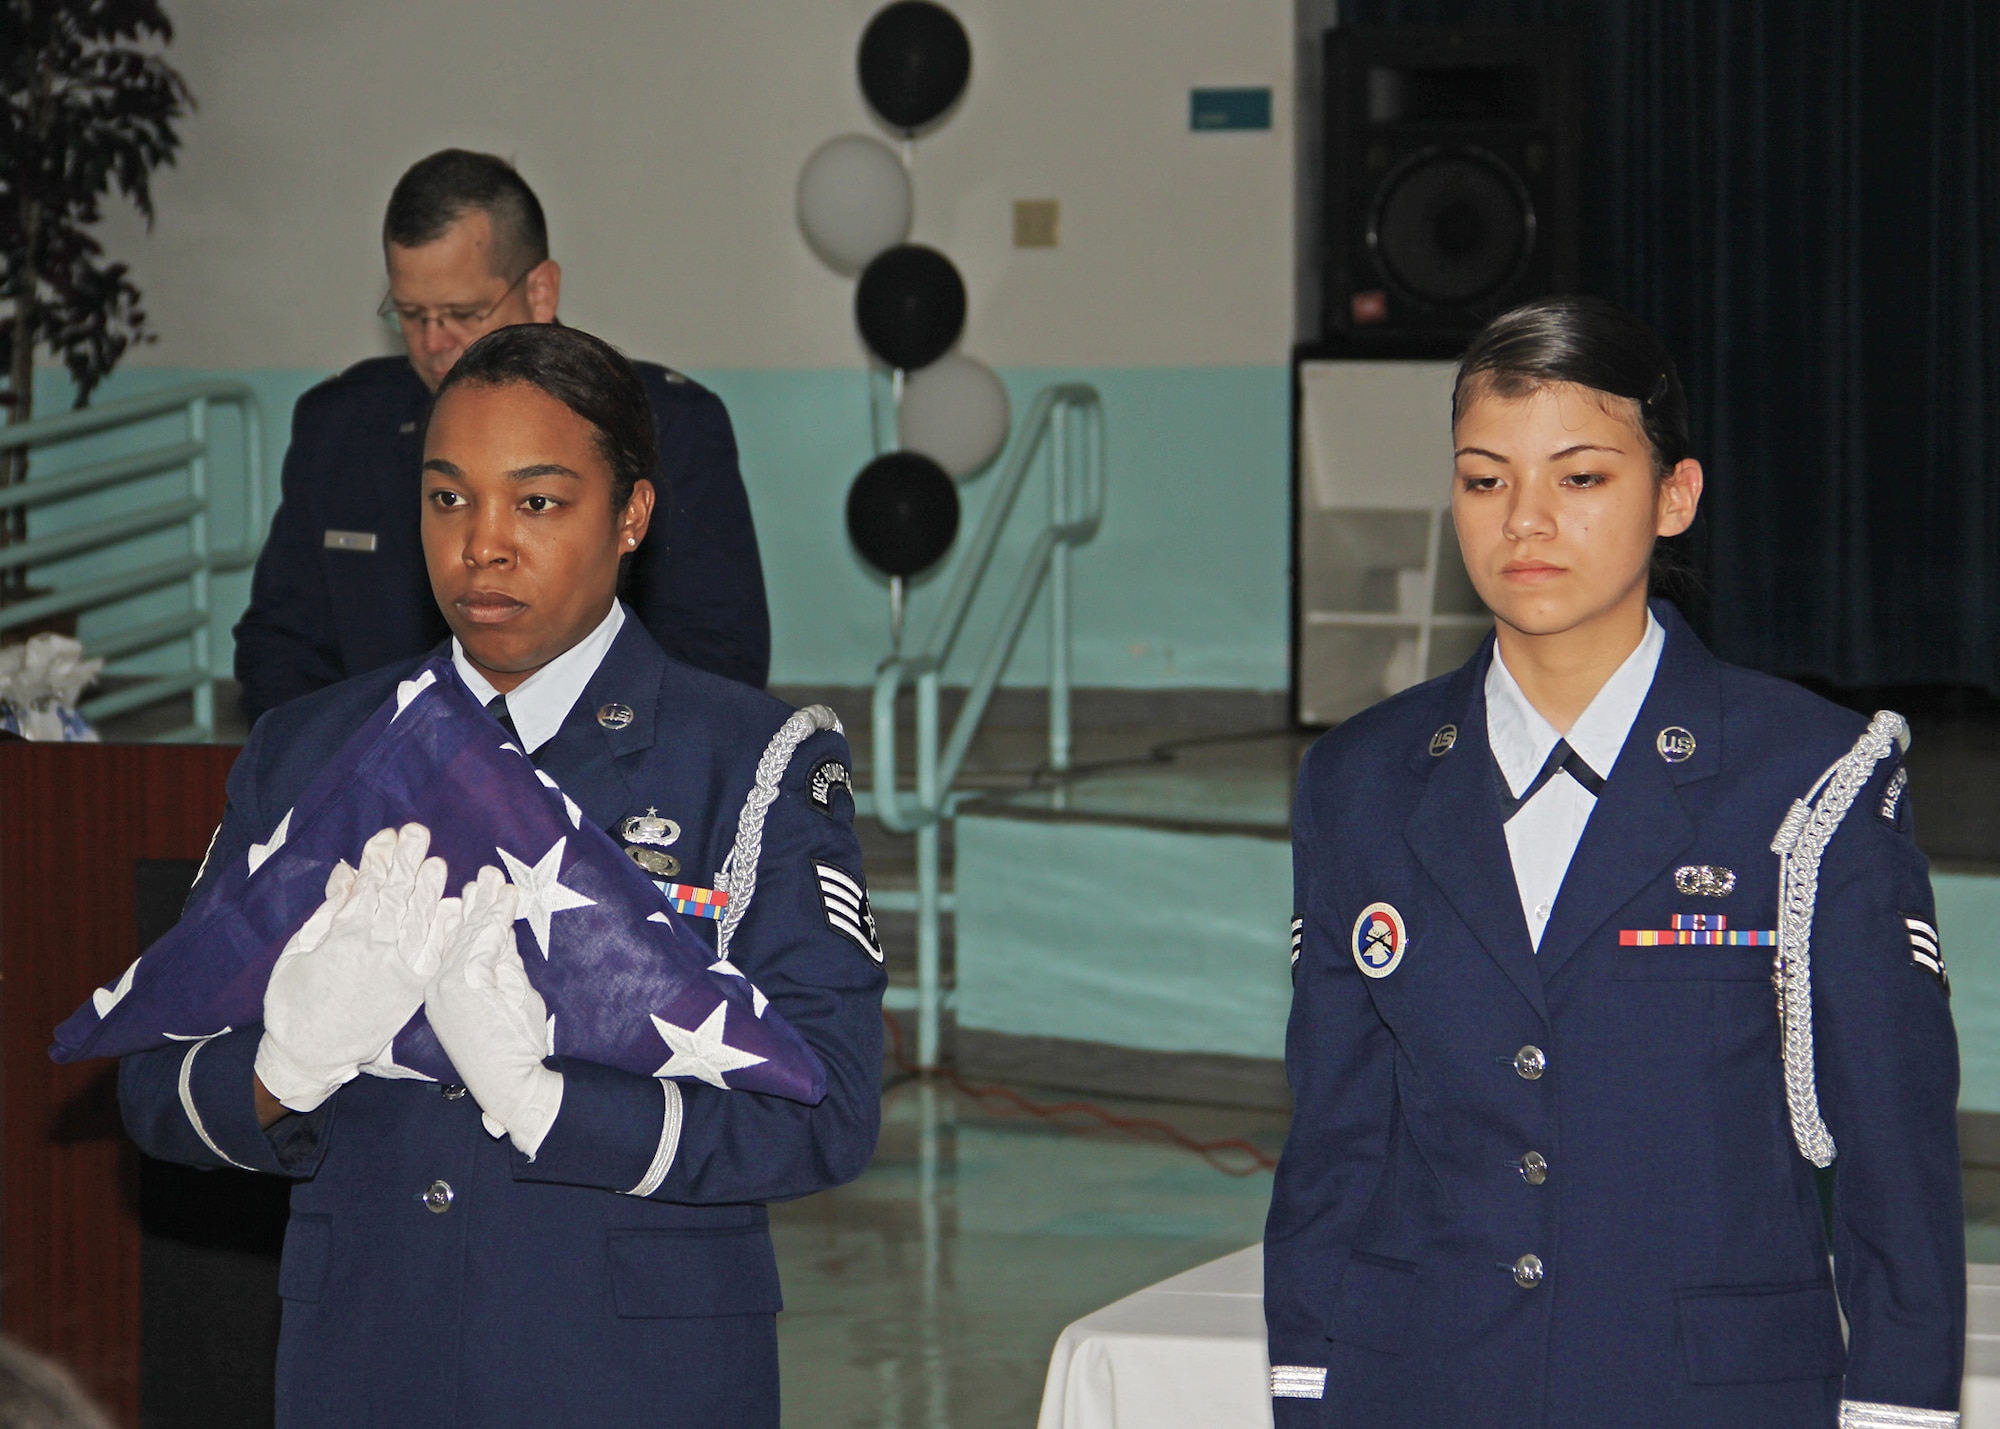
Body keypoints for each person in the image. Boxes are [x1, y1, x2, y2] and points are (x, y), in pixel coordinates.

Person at [122, 324, 883, 1426]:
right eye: (447, 499)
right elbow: (149, 1081)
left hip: (630, 1377)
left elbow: (831, 1109)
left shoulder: (746, 760)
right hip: (366, 1361)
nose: (482, 546)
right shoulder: (316, 747)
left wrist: (551, 1104)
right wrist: (285, 1063)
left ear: (630, 514)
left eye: (536, 503)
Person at [1264, 297, 1964, 1428]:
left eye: (1578, 477)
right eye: (1484, 479)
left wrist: (1897, 1408)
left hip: (1706, 1394)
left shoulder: (1808, 777)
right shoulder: (1362, 780)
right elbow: (1335, 1141)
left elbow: (1894, 1150)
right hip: (1423, 1387)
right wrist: (1304, 1380)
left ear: (1672, 496)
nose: (1523, 521)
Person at [233, 149, 769, 726]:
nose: (434, 343)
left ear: (540, 291)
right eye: (412, 315)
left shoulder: (663, 424)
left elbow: (714, 655)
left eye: (462, 312)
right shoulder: (344, 426)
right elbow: (283, 644)